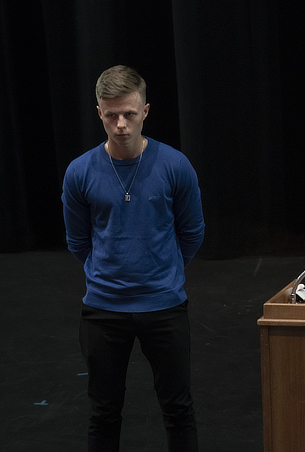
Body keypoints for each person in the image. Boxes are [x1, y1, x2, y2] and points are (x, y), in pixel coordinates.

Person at [62, 65, 205, 451]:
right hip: (103, 309)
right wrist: (107, 270)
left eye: (128, 113)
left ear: (145, 111)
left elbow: (192, 232)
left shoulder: (174, 165)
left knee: (178, 409)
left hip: (164, 305)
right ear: (99, 114)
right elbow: (78, 241)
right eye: (111, 115)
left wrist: (165, 269)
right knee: (103, 413)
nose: (120, 124)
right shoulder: (79, 172)